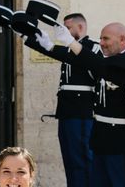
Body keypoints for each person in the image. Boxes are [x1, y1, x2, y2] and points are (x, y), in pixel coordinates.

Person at [54, 22, 125, 187]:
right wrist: (41, 42)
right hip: (100, 139)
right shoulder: (107, 61)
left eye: (106, 38)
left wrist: (71, 43)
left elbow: (98, 65)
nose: (101, 43)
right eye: (101, 38)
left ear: (122, 39)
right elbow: (83, 60)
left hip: (120, 142)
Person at [25, 13, 99, 187]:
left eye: (67, 28)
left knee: (82, 160)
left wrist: (54, 46)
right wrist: (27, 35)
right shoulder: (70, 50)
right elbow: (55, 51)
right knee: (70, 161)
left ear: (80, 27)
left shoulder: (91, 47)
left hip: (81, 113)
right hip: (67, 112)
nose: (63, 32)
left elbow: (87, 64)